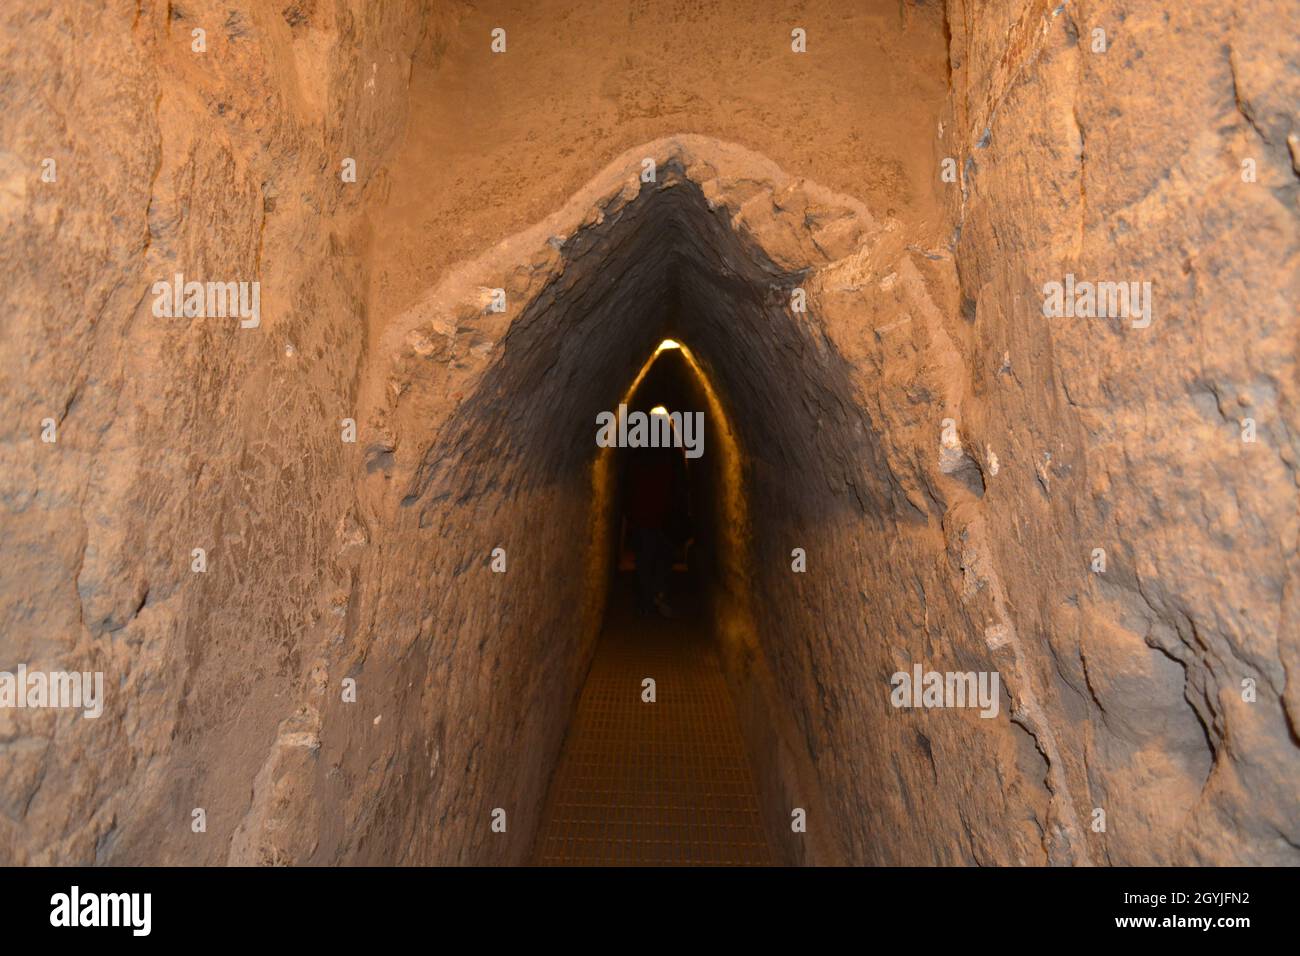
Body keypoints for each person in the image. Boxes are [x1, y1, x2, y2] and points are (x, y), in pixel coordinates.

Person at [623, 434, 687, 618]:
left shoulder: (637, 455)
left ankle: (646, 602)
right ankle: (659, 595)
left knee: (645, 560)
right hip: (665, 518)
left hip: (643, 518)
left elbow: (628, 485)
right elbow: (681, 484)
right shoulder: (672, 454)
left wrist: (630, 513)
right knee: (663, 559)